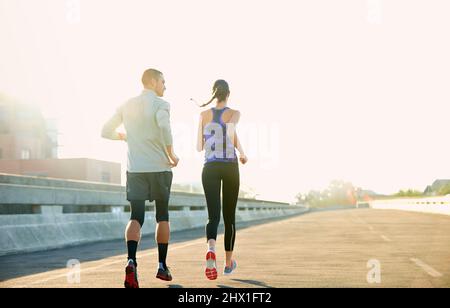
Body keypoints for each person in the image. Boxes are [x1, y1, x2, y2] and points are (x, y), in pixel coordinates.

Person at [102, 69, 179, 288]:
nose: (165, 85)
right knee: (162, 216)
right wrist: (171, 154)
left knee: (136, 216)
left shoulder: (126, 104)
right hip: (159, 168)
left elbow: (105, 131)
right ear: (153, 81)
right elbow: (164, 127)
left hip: (135, 169)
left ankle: (131, 261)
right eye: (163, 81)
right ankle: (162, 266)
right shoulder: (161, 104)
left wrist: (126, 136)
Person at [196, 80, 248, 280]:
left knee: (213, 216)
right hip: (229, 167)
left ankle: (211, 248)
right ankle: (228, 263)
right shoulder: (235, 113)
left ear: (213, 93)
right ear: (229, 94)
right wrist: (242, 153)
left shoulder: (203, 115)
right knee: (229, 218)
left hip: (209, 167)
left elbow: (199, 147)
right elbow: (231, 132)